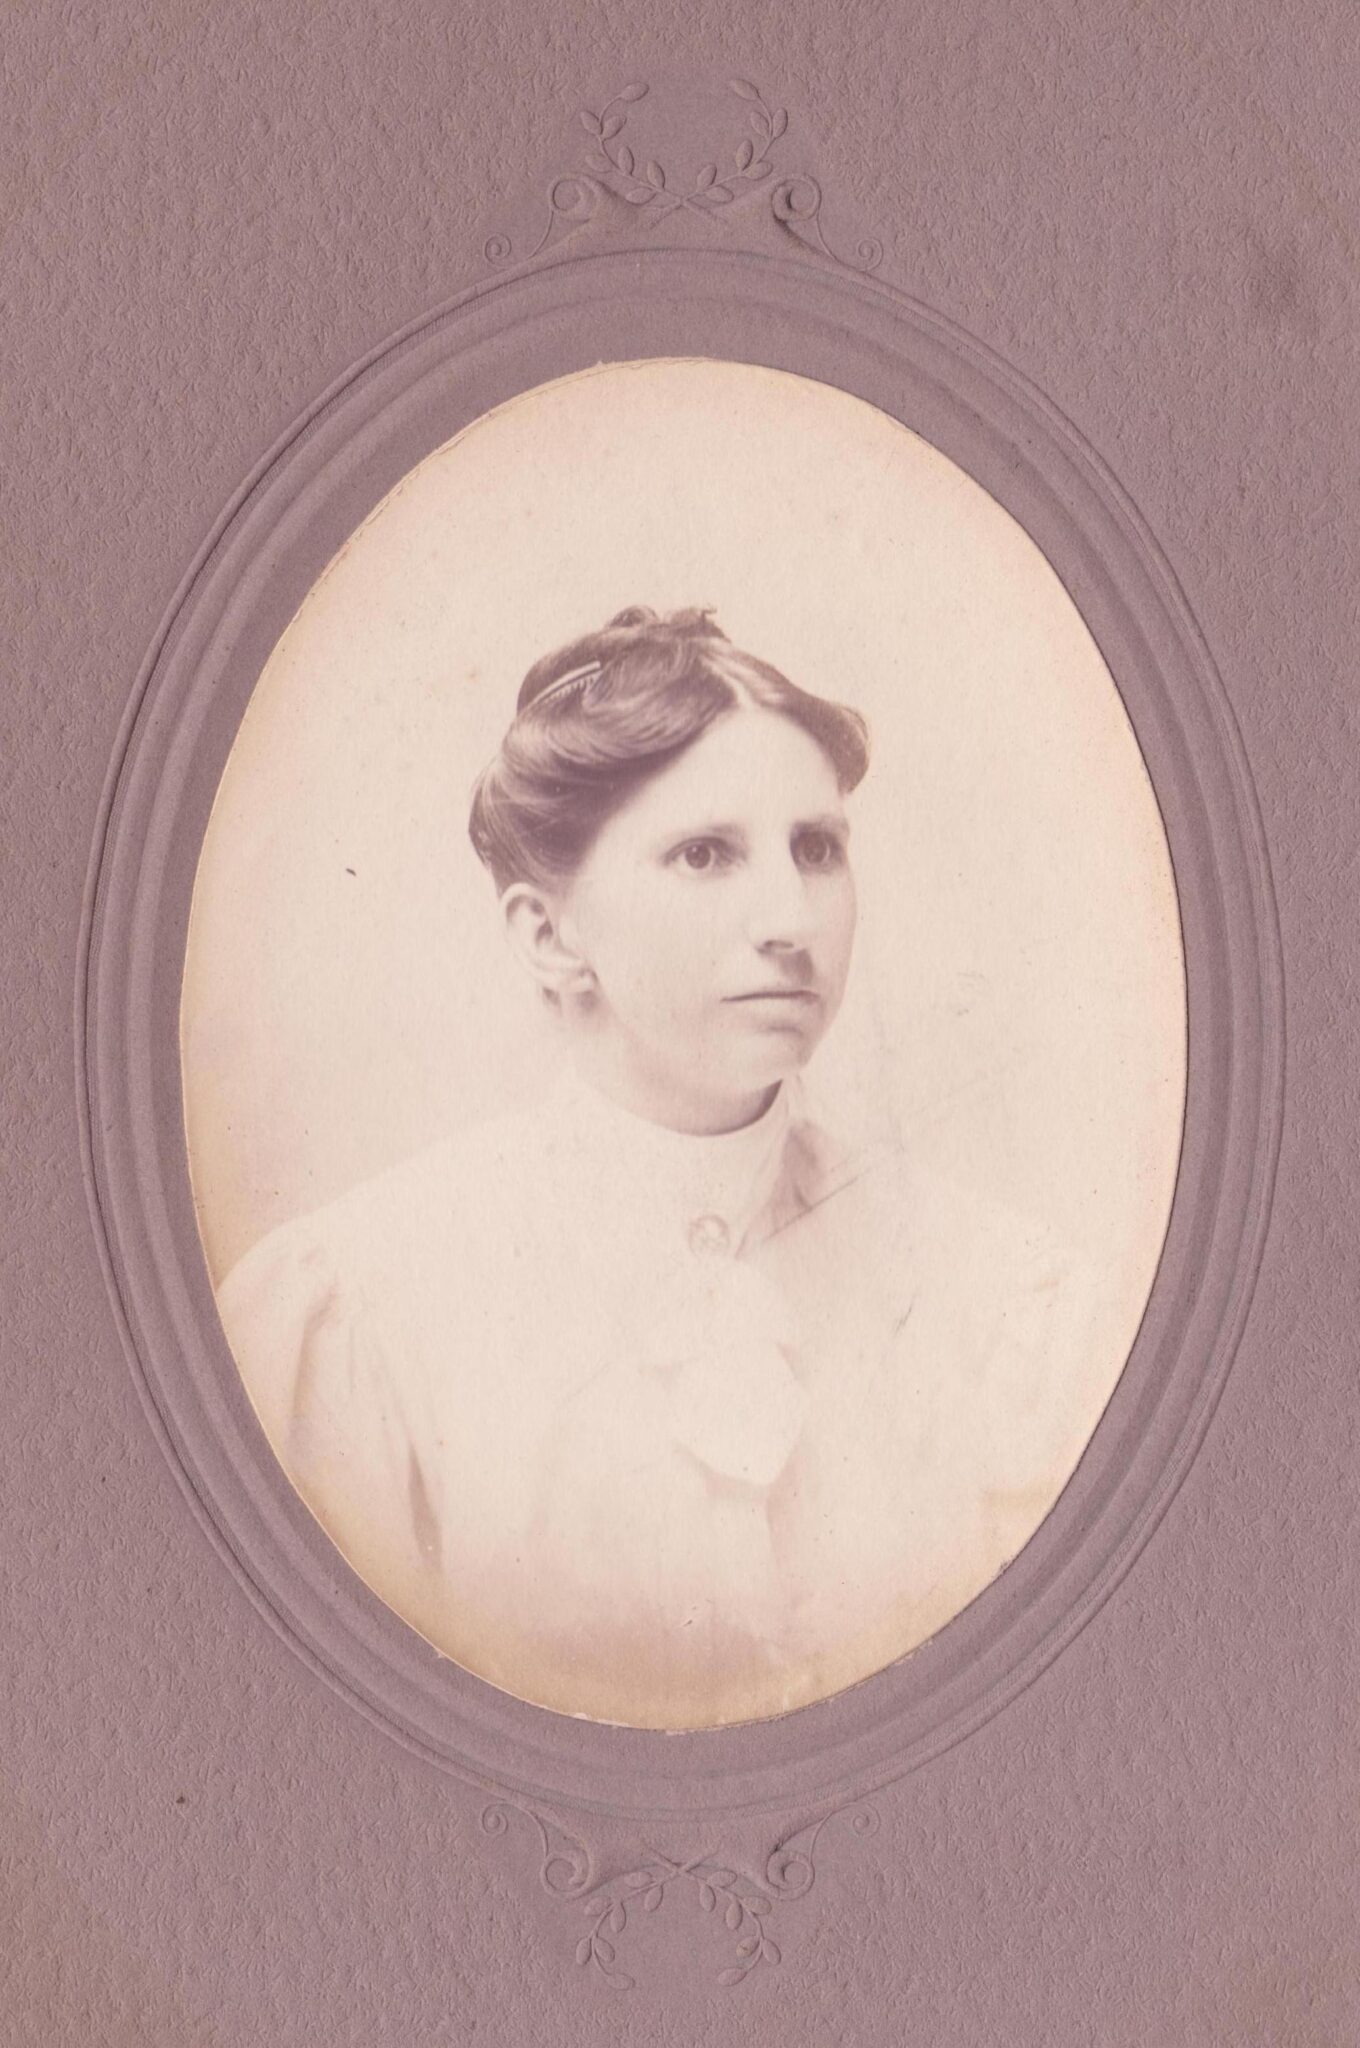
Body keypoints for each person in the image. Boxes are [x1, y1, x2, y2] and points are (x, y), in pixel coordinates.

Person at [217, 605, 1099, 1729]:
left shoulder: (998, 1297)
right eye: (704, 854)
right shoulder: (362, 1308)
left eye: (816, 849)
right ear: (549, 935)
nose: (791, 919)